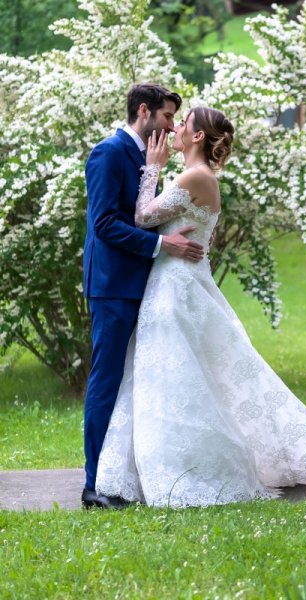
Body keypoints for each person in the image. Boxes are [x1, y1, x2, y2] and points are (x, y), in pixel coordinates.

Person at [94, 107, 306, 507]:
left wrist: (151, 168)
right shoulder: (196, 178)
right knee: (173, 375)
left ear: (198, 137)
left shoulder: (194, 176)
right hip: (174, 283)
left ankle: (192, 469)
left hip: (175, 288)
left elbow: (141, 216)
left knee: (177, 375)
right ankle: (158, 468)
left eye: (183, 123)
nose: (175, 127)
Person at [82, 83, 205, 510]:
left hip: (147, 286)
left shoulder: (149, 157)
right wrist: (161, 246)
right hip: (113, 286)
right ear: (144, 111)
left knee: (136, 384)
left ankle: (126, 476)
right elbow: (104, 225)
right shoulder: (109, 153)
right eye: (168, 117)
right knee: (107, 381)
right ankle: (93, 486)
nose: (172, 127)